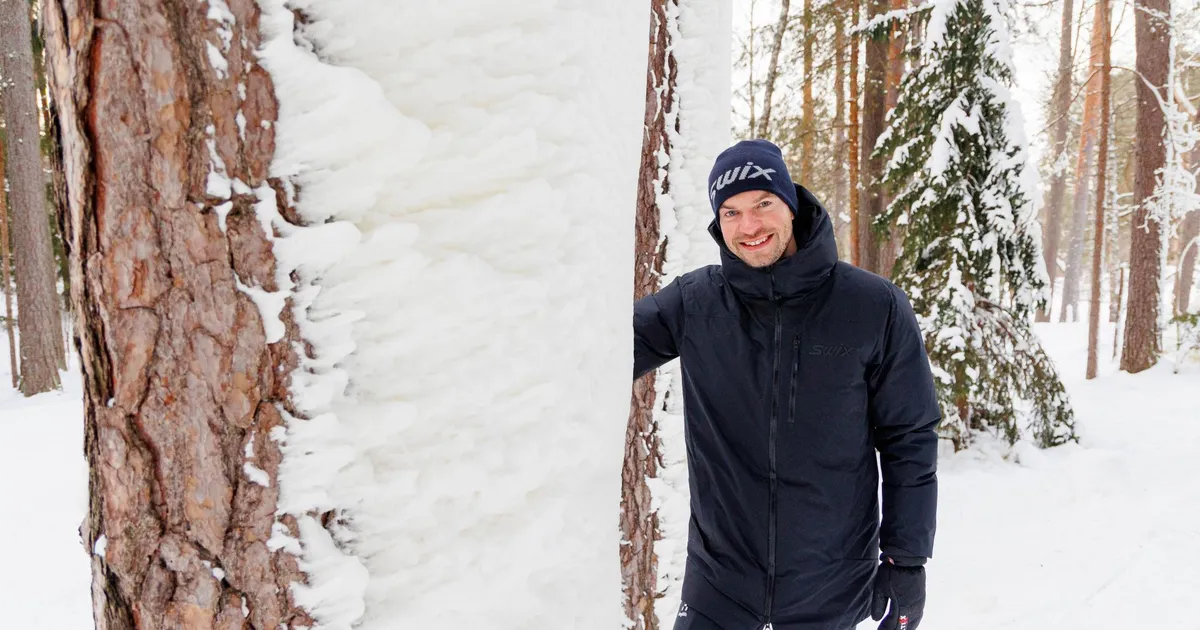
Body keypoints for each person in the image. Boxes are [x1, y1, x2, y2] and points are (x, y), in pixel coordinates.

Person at [634, 140, 939, 630]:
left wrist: (907, 561)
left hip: (831, 586)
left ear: (791, 205)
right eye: (731, 212)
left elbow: (910, 438)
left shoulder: (872, 306)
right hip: (718, 586)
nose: (749, 226)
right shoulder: (694, 303)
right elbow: (597, 351)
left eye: (763, 204)